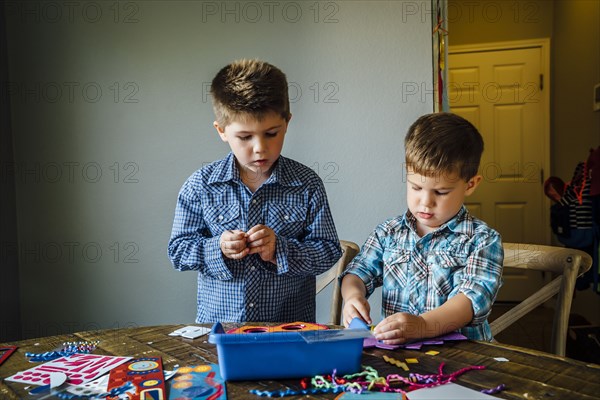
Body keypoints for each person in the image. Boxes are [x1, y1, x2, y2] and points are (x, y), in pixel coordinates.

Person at [168, 59, 341, 323]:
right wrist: (218, 248)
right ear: (222, 131)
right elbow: (178, 251)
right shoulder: (200, 185)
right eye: (245, 137)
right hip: (221, 332)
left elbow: (328, 250)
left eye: (271, 133)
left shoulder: (307, 184)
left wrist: (280, 250)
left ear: (287, 122)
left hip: (290, 330)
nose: (260, 148)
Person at [341, 112, 503, 343]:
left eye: (441, 192)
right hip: (400, 357)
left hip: (463, 358)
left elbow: (471, 300)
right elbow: (357, 272)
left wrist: (423, 326)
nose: (426, 202)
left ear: (470, 184)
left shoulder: (482, 240)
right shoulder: (389, 232)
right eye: (416, 187)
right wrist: (353, 297)